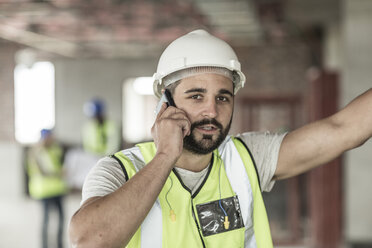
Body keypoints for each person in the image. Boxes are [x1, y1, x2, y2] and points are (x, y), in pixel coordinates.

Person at [69, 30, 372, 248]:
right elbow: (90, 240)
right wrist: (164, 157)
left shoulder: (247, 158)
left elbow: (341, 130)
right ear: (165, 103)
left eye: (223, 98)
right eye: (196, 96)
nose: (211, 111)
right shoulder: (120, 170)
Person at [27, 129, 68, 248]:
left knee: (61, 220)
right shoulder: (36, 152)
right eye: (49, 137)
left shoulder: (56, 149)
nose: (51, 139)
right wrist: (58, 174)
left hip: (58, 189)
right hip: (44, 191)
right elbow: (41, 171)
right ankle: (44, 245)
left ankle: (60, 245)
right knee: (46, 221)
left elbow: (62, 165)